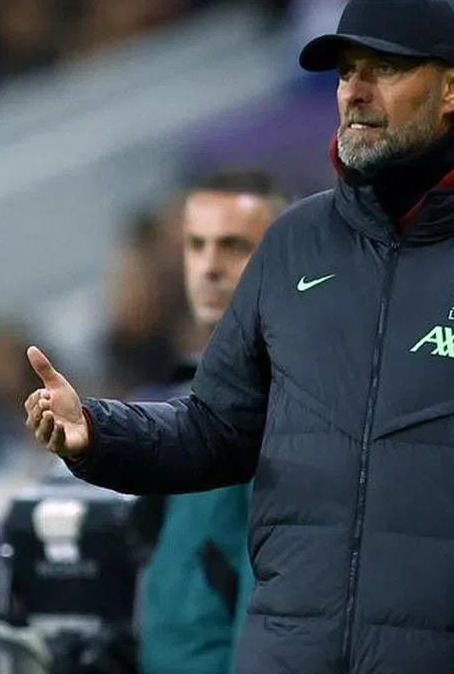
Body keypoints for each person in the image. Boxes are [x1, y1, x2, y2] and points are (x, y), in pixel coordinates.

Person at [24, 0, 454, 673]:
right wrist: (97, 431)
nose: (354, 92)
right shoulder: (294, 243)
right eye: (345, 72)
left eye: (384, 69)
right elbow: (215, 431)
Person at [132, 170, 289, 674]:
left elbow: (268, 603)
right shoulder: (192, 391)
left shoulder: (284, 403)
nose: (209, 267)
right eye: (196, 245)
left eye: (234, 246)